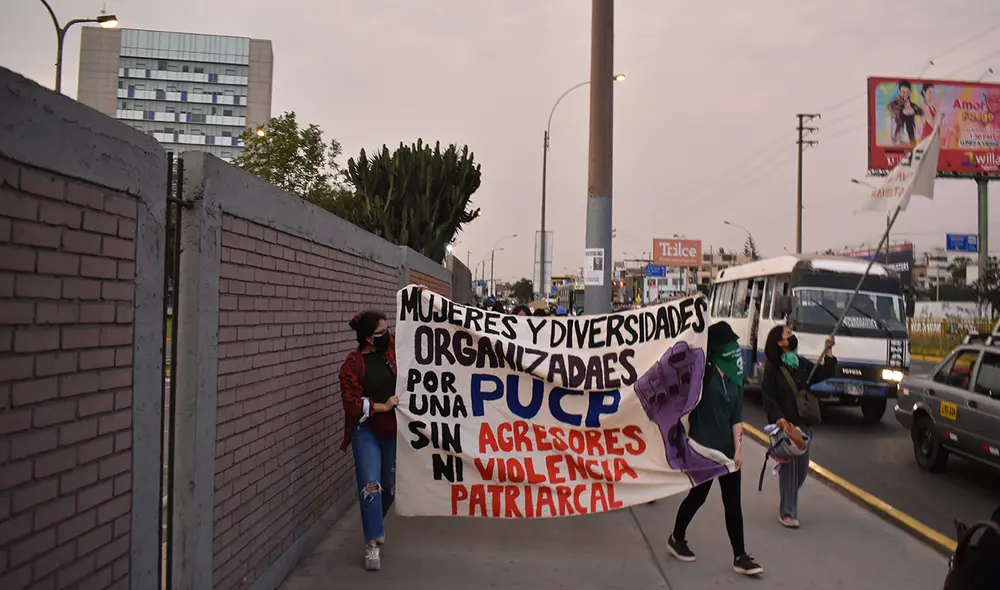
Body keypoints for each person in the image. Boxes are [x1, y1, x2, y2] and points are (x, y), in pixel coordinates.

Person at [667, 322, 763, 576]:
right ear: (719, 349)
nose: (735, 349)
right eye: (730, 344)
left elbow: (737, 414)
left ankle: (740, 555)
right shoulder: (702, 375)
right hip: (703, 449)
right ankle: (676, 537)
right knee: (698, 497)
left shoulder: (735, 378)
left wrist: (738, 449)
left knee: (733, 504)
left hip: (728, 451)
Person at [339, 310, 399, 571]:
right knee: (371, 484)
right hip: (365, 430)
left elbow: (419, 331)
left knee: (389, 486)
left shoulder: (392, 350)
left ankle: (376, 524)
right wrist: (382, 406)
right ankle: (371, 544)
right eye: (380, 333)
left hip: (392, 430)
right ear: (366, 337)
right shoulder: (352, 364)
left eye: (387, 330)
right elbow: (351, 403)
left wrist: (419, 298)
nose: (386, 335)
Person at [760, 324, 837, 529]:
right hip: (785, 426)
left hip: (804, 424)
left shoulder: (799, 363)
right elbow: (768, 396)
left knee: (801, 470)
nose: (792, 336)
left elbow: (824, 372)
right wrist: (779, 418)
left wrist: (828, 350)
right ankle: (787, 513)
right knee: (790, 470)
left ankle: (788, 494)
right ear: (780, 343)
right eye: (788, 334)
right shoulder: (772, 367)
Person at [888, 80, 923, 146]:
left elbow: (919, 110)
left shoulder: (912, 105)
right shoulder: (893, 105)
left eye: (907, 92)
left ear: (910, 92)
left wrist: (913, 111)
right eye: (903, 92)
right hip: (898, 139)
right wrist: (904, 111)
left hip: (911, 140)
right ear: (899, 91)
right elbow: (894, 109)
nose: (905, 95)